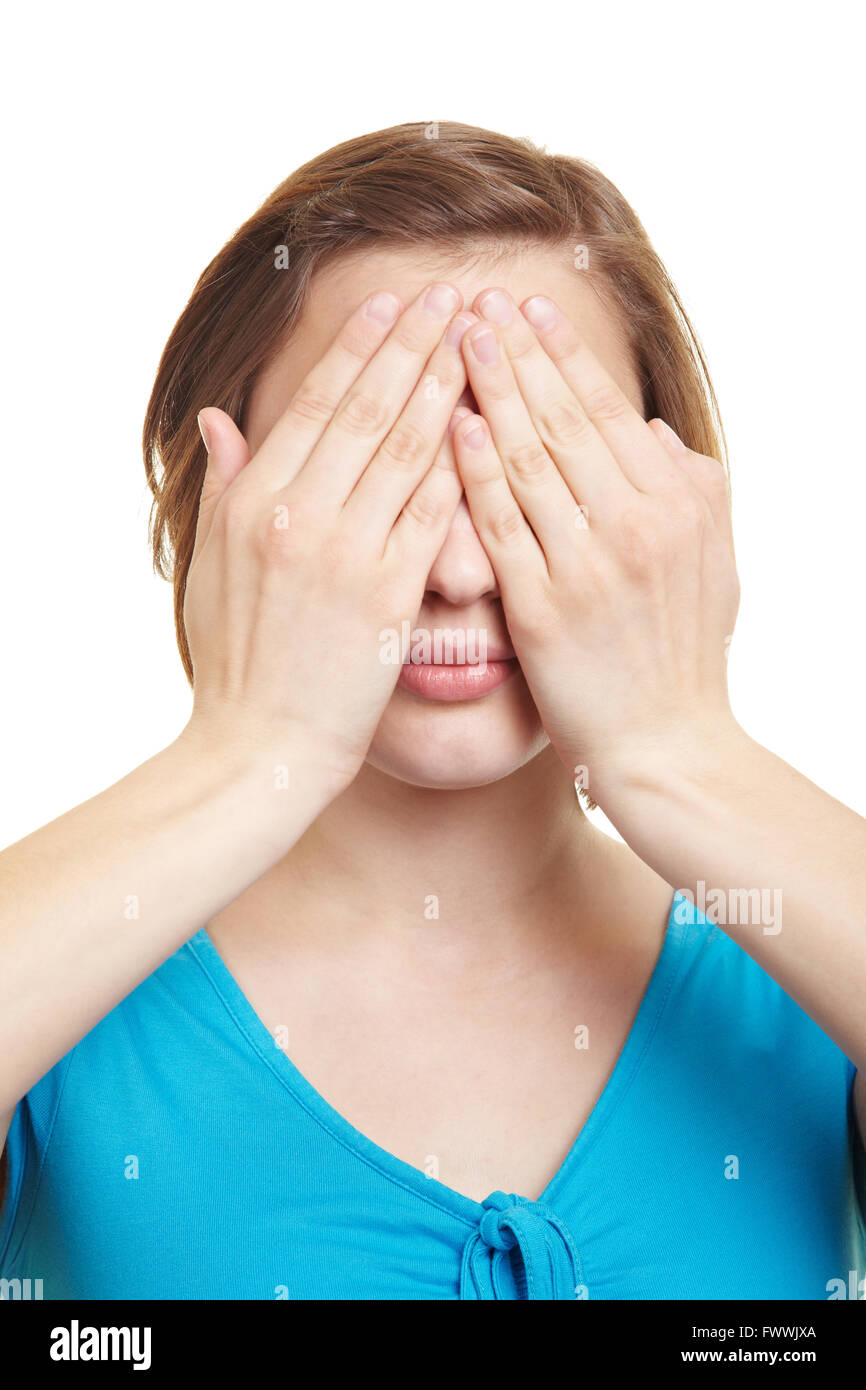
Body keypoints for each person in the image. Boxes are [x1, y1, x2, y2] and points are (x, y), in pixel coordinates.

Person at [1, 122, 864, 1301]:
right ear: (222, 496)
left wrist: (678, 751)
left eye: (539, 467)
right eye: (377, 466)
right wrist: (254, 751)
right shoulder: (67, 1004)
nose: (457, 567)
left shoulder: (804, 971)